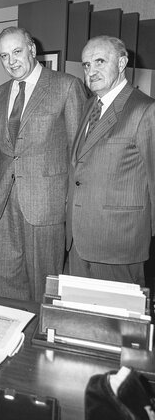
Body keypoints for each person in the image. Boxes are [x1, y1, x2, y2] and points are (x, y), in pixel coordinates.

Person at [0, 27, 87, 302]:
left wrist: (73, 203)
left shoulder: (66, 86)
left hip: (47, 202)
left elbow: (78, 153)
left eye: (17, 52)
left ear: (32, 49)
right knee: (8, 275)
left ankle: (42, 336)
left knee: (45, 279)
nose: (11, 61)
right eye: (4, 56)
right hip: (6, 201)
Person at [67, 35, 155, 285]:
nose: (91, 71)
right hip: (78, 240)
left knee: (116, 321)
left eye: (99, 61)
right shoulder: (89, 106)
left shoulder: (145, 110)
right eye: (86, 65)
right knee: (82, 316)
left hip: (118, 243)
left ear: (121, 63)